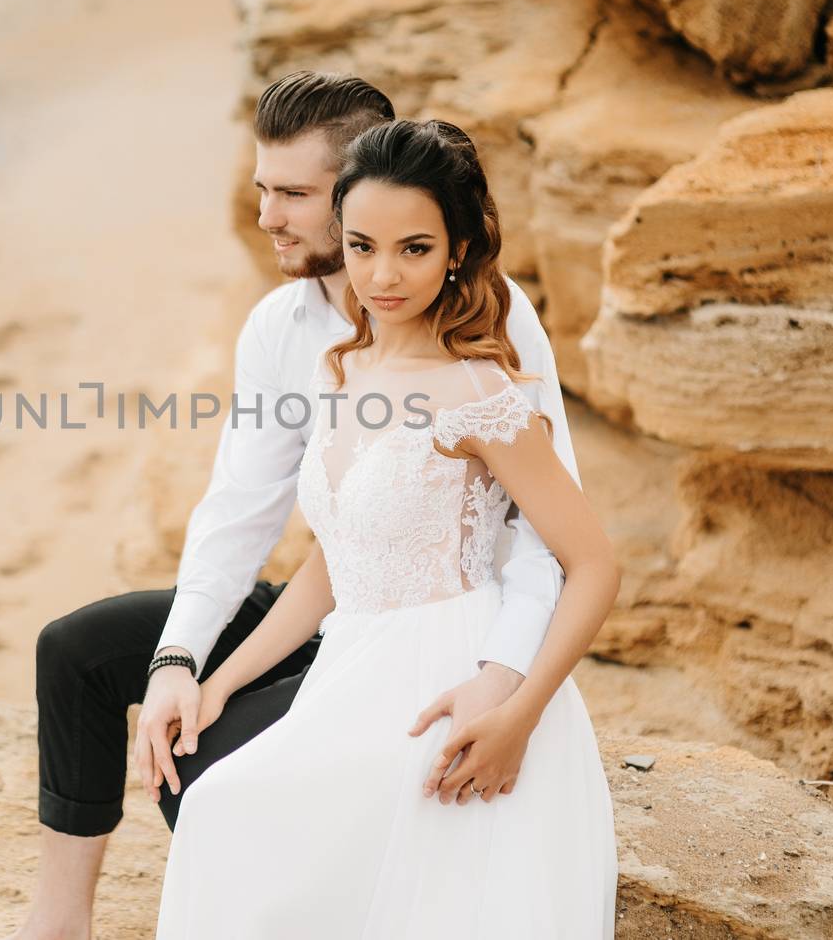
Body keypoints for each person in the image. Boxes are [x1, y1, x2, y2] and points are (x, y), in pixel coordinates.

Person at [7, 72, 581, 940]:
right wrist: (180, 663)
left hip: (444, 629)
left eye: (294, 194)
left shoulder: (491, 329)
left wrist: (504, 687)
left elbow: (549, 547)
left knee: (210, 774)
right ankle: (58, 925)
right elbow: (241, 516)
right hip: (338, 597)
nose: (268, 216)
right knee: (80, 653)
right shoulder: (287, 330)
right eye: (262, 188)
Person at [155, 118, 619, 937]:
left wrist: (517, 712)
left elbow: (592, 565)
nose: (383, 274)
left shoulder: (480, 390)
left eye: (413, 248)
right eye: (363, 246)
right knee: (218, 805)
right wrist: (220, 679)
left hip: (448, 680)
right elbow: (331, 569)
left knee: (232, 819)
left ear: (458, 250)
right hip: (355, 666)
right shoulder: (343, 371)